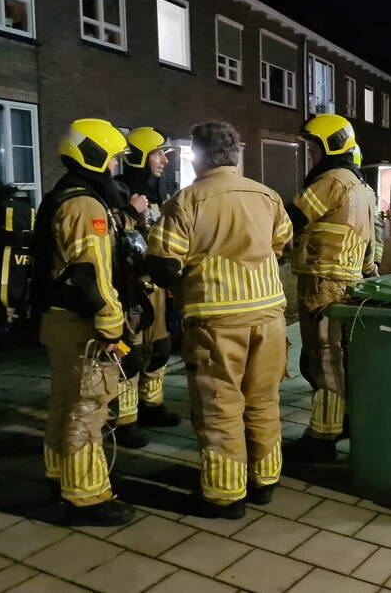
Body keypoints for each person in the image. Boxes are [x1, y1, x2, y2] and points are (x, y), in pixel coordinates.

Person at [145, 121, 292, 519]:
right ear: (235, 155)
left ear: (199, 157)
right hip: (270, 316)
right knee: (264, 399)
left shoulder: (187, 200)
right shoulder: (267, 196)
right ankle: (265, 481)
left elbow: (164, 264)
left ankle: (225, 496)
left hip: (217, 319)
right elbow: (283, 246)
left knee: (220, 406)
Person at [31, 118, 137, 527]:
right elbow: (91, 274)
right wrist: (111, 326)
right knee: (89, 408)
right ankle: (87, 497)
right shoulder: (85, 206)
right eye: (112, 159)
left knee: (65, 403)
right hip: (81, 326)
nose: (115, 167)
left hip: (59, 320)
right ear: (94, 156)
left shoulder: (62, 196)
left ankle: (60, 476)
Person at [283, 114, 378, 463]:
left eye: (313, 146)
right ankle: (345, 420)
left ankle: (322, 437)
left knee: (324, 359)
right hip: (348, 284)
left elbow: (291, 219)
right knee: (340, 359)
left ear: (330, 145)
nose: (310, 153)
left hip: (322, 284)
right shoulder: (361, 187)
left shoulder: (331, 181)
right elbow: (370, 244)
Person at [111, 127, 181, 433]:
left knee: (161, 348)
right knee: (132, 353)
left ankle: (152, 406)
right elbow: (108, 238)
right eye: (157, 154)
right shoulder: (117, 191)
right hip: (130, 290)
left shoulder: (160, 194)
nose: (164, 161)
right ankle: (125, 420)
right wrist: (129, 212)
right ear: (139, 157)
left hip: (157, 287)